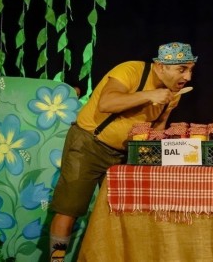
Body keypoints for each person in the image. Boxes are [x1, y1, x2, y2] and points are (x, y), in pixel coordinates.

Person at [48, 42, 197, 261]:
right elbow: (107, 103)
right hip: (89, 144)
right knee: (69, 208)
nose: (188, 77)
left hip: (123, 155)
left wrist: (150, 155)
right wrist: (149, 95)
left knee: (119, 213)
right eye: (181, 69)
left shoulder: (173, 93)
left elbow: (157, 126)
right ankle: (56, 260)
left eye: (191, 70)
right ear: (160, 66)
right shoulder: (130, 70)